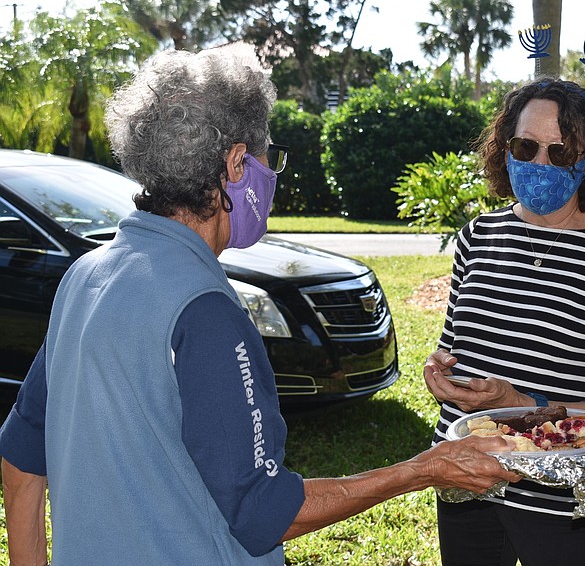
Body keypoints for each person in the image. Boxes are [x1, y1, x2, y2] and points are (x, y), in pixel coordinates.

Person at [0, 46, 520, 566]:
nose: (272, 176)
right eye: (269, 158)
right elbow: (264, 511)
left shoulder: (85, 276)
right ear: (235, 163)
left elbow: (21, 455)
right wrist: (423, 469)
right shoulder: (204, 308)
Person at [422, 78, 585, 566]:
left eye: (562, 152)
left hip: (556, 497)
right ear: (504, 148)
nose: (540, 163)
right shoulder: (479, 235)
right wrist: (441, 373)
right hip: (466, 474)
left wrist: (523, 406)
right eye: (526, 147)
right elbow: (455, 347)